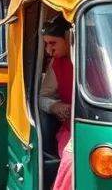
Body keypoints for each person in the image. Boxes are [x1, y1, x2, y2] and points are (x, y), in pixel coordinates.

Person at [38, 17, 75, 152]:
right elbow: (42, 98)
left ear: (69, 38)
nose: (49, 50)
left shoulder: (100, 58)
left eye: (53, 43)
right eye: (46, 44)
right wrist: (54, 106)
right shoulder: (56, 63)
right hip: (70, 128)